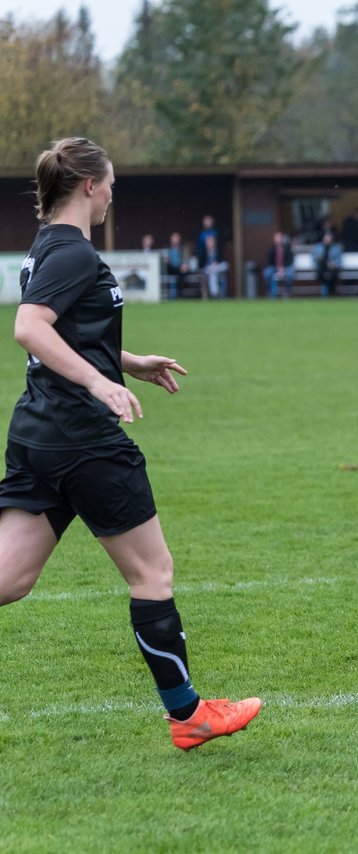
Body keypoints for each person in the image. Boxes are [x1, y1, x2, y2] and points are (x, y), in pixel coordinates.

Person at [0, 137, 260, 750]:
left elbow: (69, 330)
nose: (114, 193)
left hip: (39, 432)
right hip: (83, 438)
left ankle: (187, 713)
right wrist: (98, 382)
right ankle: (189, 715)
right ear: (90, 186)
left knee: (9, 579)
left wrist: (126, 362)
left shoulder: (50, 247)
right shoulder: (74, 255)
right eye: (111, 182)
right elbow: (29, 328)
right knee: (153, 571)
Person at [263, 231, 296, 299]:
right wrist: (278, 268)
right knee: (267, 273)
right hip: (274, 267)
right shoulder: (271, 249)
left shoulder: (287, 248)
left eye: (279, 238)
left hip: (285, 267)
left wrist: (283, 267)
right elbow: (268, 261)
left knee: (290, 274)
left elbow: (290, 260)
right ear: (274, 239)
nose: (278, 240)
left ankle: (287, 292)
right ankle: (271, 292)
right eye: (277, 238)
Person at [312, 230, 343, 297]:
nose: (328, 240)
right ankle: (329, 293)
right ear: (323, 238)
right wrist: (318, 260)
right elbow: (314, 258)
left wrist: (333, 264)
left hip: (332, 270)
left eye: (329, 238)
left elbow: (339, 262)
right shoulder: (317, 247)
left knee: (330, 275)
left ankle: (328, 294)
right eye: (326, 238)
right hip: (321, 269)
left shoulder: (336, 248)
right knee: (324, 274)